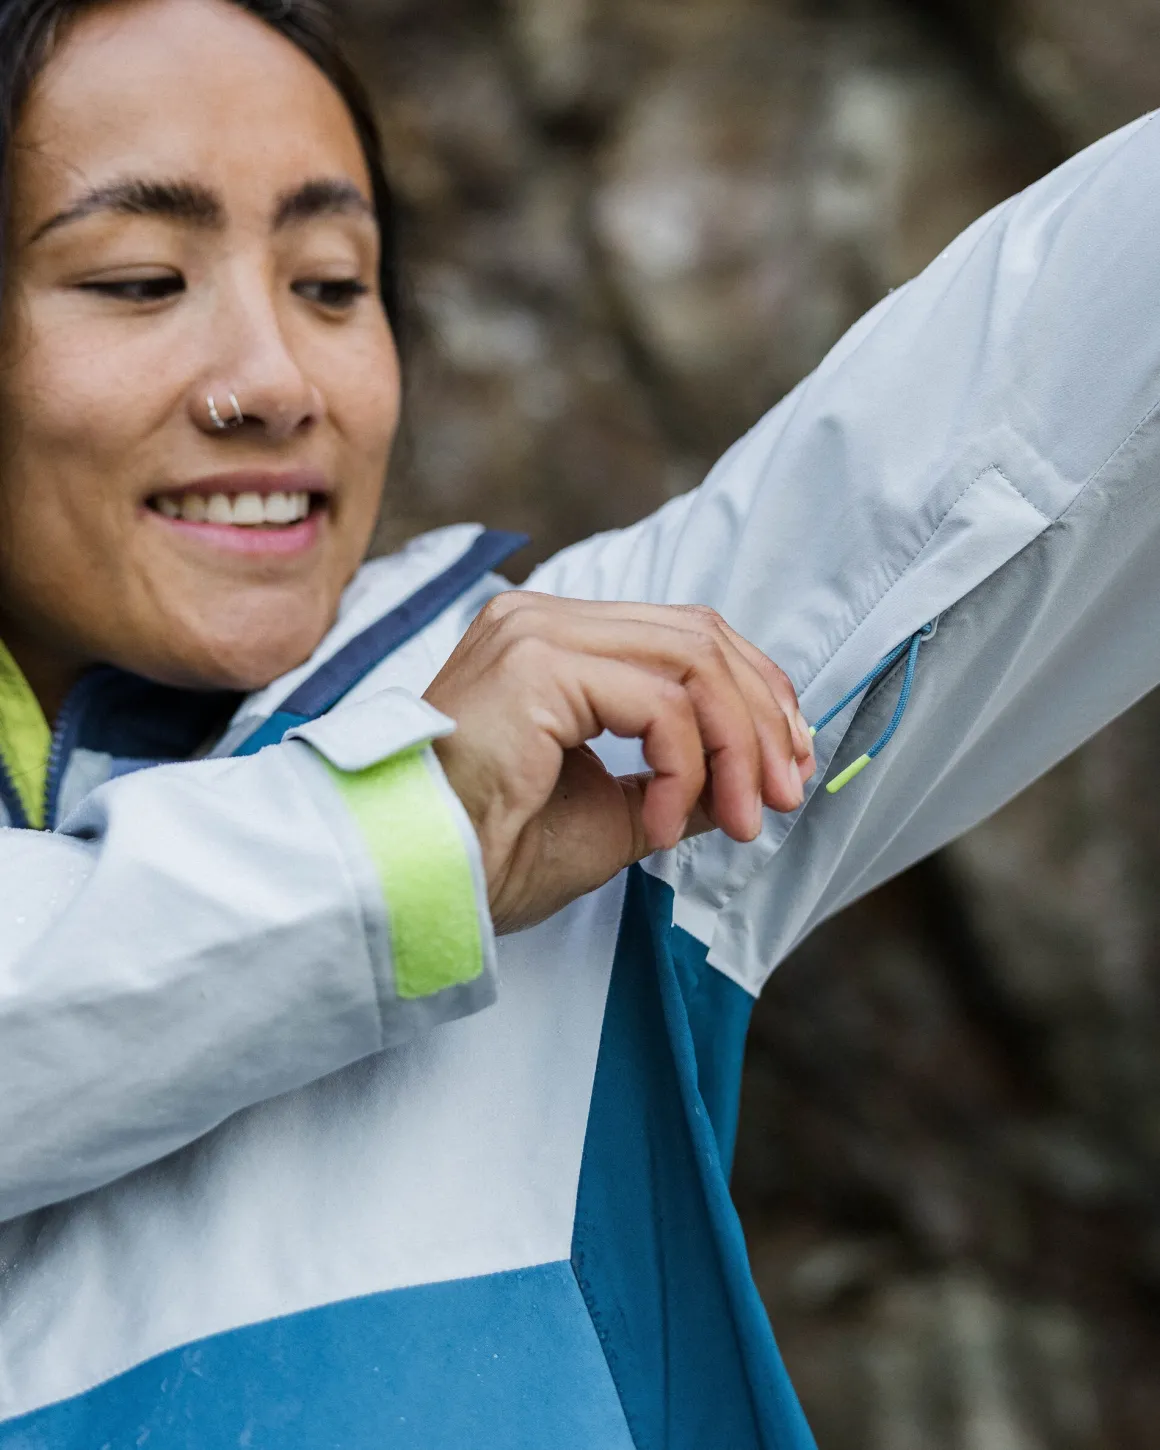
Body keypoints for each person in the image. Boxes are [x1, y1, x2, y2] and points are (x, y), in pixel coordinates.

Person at [1, 0, 1158, 1445]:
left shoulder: (584, 727)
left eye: (333, 283)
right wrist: (403, 841)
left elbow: (1041, 383)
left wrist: (427, 795)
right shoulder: (465, 786)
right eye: (137, 278)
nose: (276, 382)